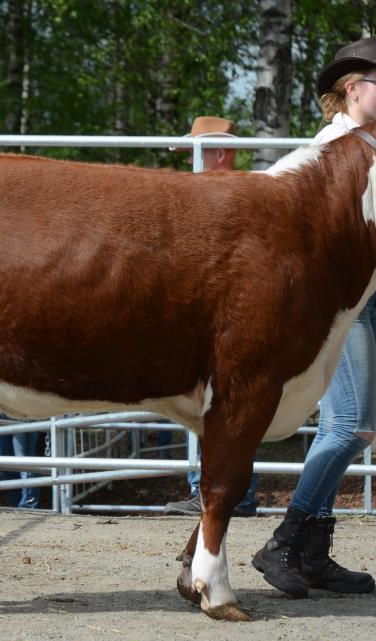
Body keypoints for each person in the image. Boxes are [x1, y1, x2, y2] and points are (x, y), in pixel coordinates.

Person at [251, 37, 376, 598]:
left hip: (361, 296)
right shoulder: (334, 148)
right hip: (343, 301)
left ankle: (311, 548)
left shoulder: (372, 144)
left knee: (348, 429)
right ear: (352, 89)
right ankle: (287, 540)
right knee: (351, 427)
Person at [162, 116, 260, 519]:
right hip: (227, 312)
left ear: (218, 153)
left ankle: (223, 492)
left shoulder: (227, 198)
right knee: (229, 404)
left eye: (195, 154)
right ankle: (225, 492)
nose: (190, 165)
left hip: (228, 314)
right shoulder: (243, 195)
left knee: (227, 402)